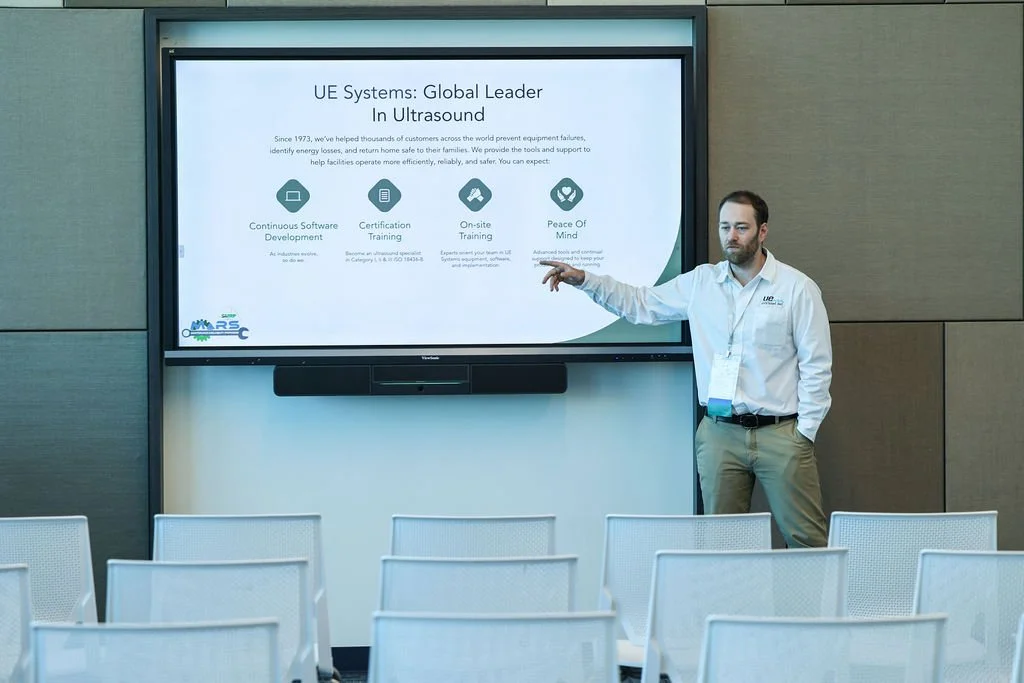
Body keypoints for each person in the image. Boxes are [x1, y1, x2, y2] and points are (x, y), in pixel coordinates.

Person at [540, 190, 832, 548]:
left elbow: (817, 365)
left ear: (763, 232)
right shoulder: (700, 283)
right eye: (725, 227)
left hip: (781, 434)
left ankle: (811, 607)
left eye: (742, 227)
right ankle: (729, 607)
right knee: (723, 544)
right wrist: (585, 279)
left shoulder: (797, 288)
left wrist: (805, 432)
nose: (732, 236)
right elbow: (641, 304)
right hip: (719, 433)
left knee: (805, 539)